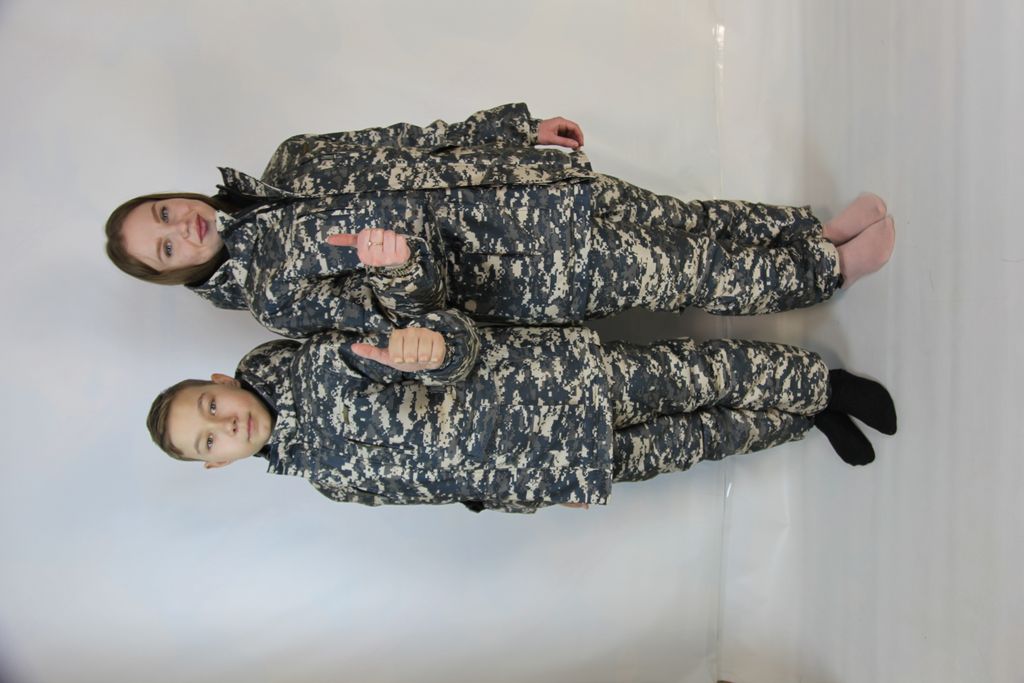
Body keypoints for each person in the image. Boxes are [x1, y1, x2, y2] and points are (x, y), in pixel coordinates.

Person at [106, 103, 895, 338]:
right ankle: (831, 270)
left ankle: (809, 231)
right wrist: (396, 267)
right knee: (692, 272)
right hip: (523, 271)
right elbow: (408, 319)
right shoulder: (276, 297)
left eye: (163, 212)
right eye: (165, 246)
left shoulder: (292, 160)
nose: (182, 228)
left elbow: (413, 139)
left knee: (689, 220)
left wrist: (513, 132)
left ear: (173, 195)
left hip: (527, 185)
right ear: (174, 272)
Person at [145, 311, 897, 513]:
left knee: (696, 373)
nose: (226, 425)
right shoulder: (328, 482)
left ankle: (822, 383)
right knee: (703, 437)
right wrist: (527, 496)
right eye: (208, 440)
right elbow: (445, 489)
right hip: (554, 465)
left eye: (210, 406)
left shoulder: (317, 358)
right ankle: (805, 418)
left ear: (222, 381)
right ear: (218, 464)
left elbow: (424, 332)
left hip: (550, 383)